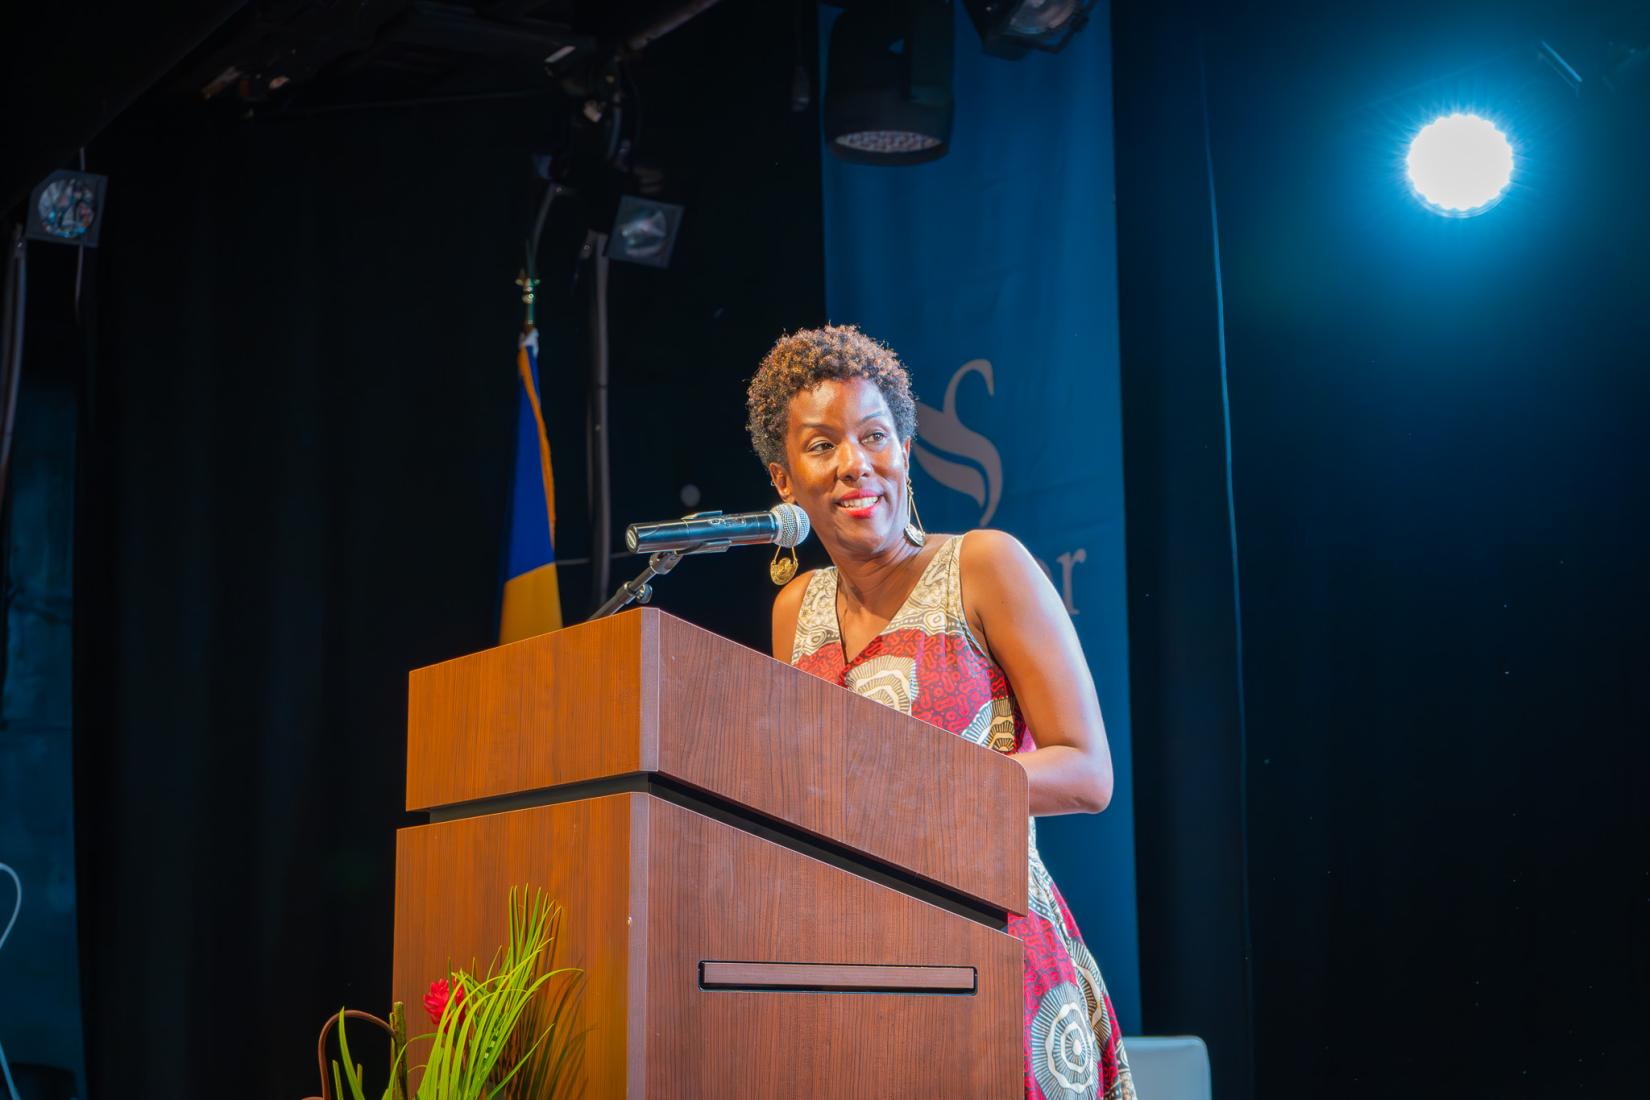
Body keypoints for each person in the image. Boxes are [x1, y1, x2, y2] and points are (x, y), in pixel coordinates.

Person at [747, 324, 1137, 1100]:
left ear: (904, 449)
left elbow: (1088, 773)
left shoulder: (984, 565)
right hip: (851, 970)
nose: (855, 464)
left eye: (874, 436)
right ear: (784, 480)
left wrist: (916, 788)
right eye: (821, 446)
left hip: (995, 951)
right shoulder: (796, 608)